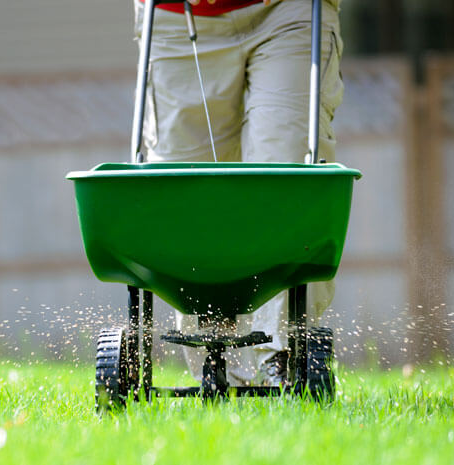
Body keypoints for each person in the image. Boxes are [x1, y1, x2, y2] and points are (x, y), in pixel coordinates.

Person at [134, 0, 343, 385]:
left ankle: (284, 356)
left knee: (286, 166)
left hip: (287, 12)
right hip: (178, 17)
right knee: (188, 193)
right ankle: (216, 363)